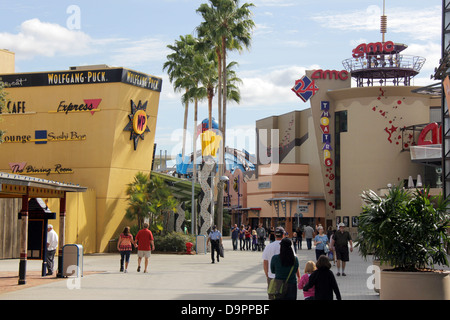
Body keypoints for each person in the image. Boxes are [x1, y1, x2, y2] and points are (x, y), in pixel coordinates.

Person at [262, 226, 295, 298]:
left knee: (273, 297)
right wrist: (298, 276)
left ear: (274, 235)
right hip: (287, 278)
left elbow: (265, 262)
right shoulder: (288, 245)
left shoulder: (268, 246)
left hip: (272, 277)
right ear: (283, 234)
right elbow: (294, 260)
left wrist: (267, 275)